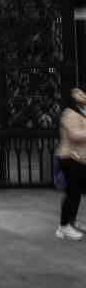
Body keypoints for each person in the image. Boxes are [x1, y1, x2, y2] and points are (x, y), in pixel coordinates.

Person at [56, 87, 86, 240]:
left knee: (77, 193)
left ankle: (71, 222)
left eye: (82, 92)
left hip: (80, 158)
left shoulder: (83, 112)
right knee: (72, 193)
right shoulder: (69, 113)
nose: (82, 94)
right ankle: (63, 227)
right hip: (69, 157)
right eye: (77, 93)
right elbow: (74, 135)